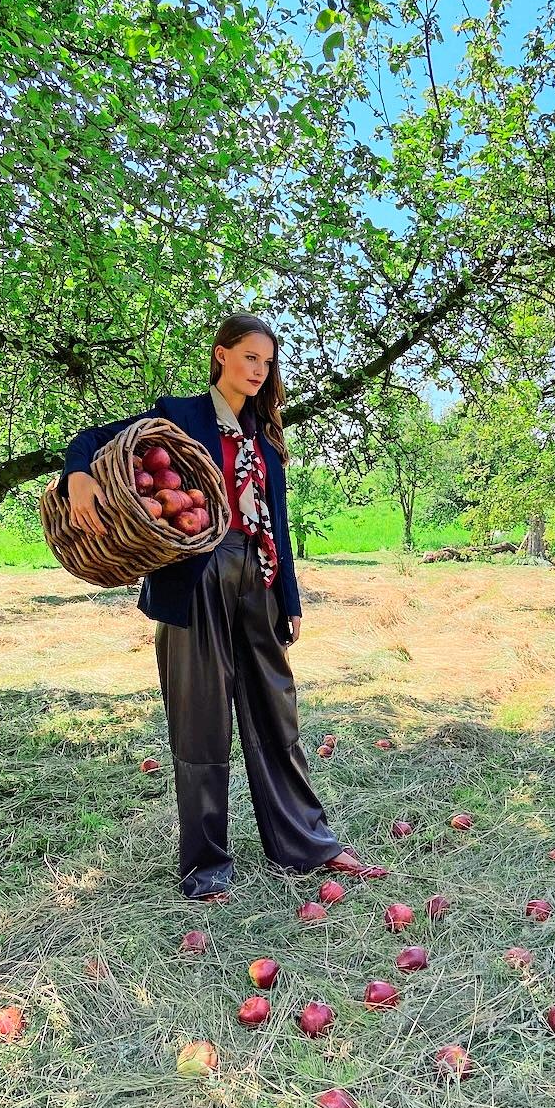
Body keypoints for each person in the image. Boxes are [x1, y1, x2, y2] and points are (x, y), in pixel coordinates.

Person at [61, 312, 386, 899]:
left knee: (276, 713)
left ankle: (306, 844)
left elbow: (278, 522)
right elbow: (91, 441)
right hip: (196, 574)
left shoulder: (265, 436)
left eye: (267, 362)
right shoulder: (179, 416)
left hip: (257, 575)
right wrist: (79, 477)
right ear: (221, 356)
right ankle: (206, 863)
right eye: (249, 357)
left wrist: (289, 597)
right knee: (201, 721)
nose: (259, 370)